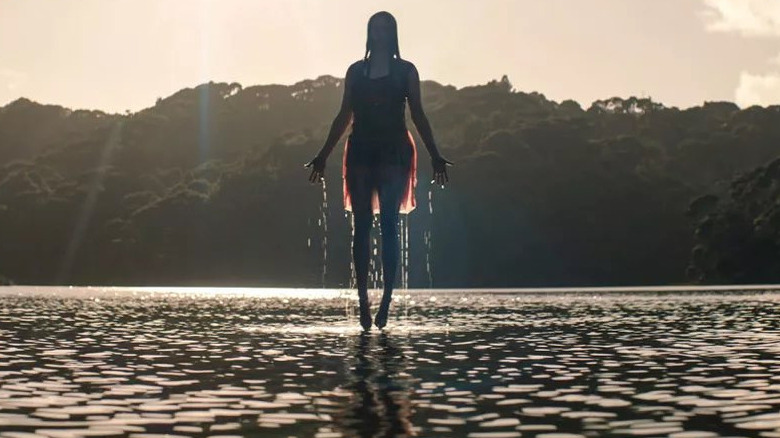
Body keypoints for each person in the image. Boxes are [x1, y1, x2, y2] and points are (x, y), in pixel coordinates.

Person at [306, 11, 451, 331]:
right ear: (370, 33)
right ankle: (362, 303)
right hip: (359, 151)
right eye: (377, 28)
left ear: (394, 33)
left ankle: (385, 300)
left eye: (387, 28)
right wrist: (322, 154)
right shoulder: (356, 72)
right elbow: (343, 115)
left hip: (395, 152)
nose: (382, 33)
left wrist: (436, 155)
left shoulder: (406, 71)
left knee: (388, 226)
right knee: (361, 227)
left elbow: (419, 115)